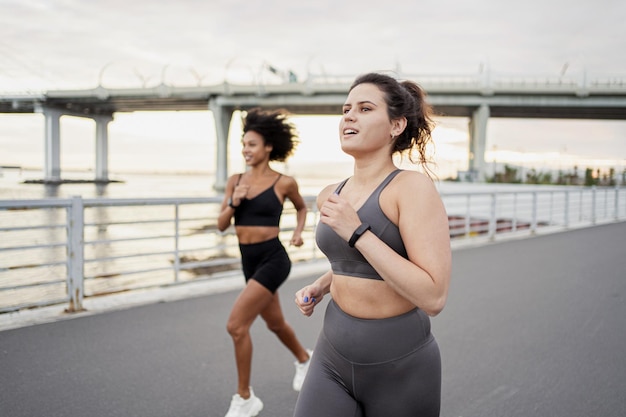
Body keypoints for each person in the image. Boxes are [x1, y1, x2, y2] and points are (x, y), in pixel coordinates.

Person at [293, 72, 452, 417]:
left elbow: (433, 296)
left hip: (400, 365)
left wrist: (358, 231)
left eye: (365, 109)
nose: (349, 116)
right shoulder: (330, 195)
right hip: (331, 355)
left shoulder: (411, 189)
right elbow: (356, 263)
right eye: (346, 108)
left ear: (396, 126)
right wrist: (323, 283)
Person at [217, 107, 313, 417]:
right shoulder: (235, 181)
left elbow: (302, 208)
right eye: (244, 144)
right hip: (249, 261)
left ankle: (245, 397)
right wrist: (235, 201)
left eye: (252, 144)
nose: (246, 150)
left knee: (236, 325)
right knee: (274, 323)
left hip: (273, 258)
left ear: (268, 146)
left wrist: (298, 233)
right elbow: (221, 225)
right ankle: (304, 359)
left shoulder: (284, 182)